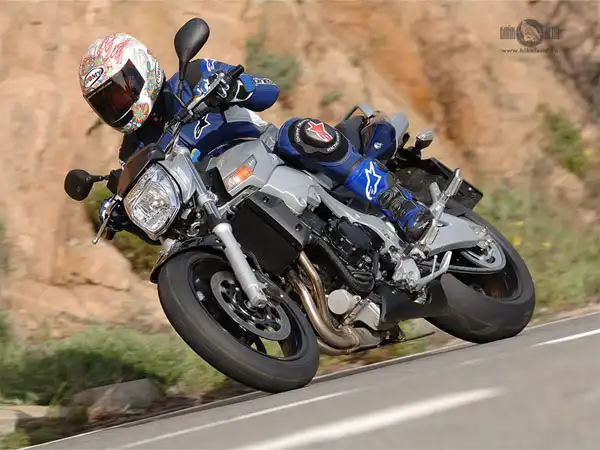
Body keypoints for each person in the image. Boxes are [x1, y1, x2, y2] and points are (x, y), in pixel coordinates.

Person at [79, 33, 434, 245]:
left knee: (300, 131)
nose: (118, 105)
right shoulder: (134, 152)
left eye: (120, 92)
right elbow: (158, 222)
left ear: (141, 67)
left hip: (267, 152)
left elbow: (269, 90)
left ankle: (398, 204)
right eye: (107, 103)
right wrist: (125, 214)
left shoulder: (192, 77)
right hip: (216, 204)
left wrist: (237, 87)